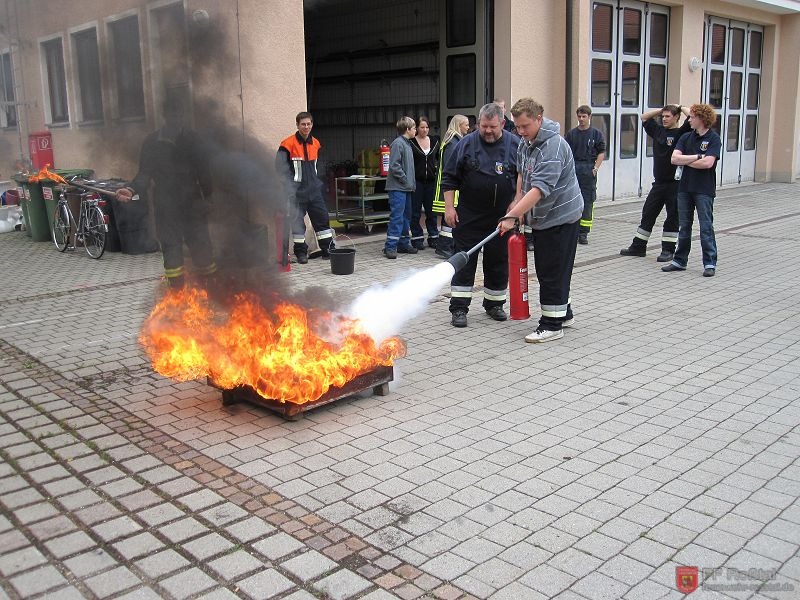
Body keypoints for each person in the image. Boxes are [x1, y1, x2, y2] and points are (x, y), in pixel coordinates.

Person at [500, 97, 583, 343]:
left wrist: (511, 216)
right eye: (517, 126)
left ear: (539, 119)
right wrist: (516, 205)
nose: (520, 131)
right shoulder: (526, 143)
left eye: (525, 126)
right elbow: (521, 175)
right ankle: (563, 312)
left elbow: (538, 189)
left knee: (551, 270)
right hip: (543, 217)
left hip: (561, 217)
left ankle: (551, 325)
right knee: (554, 268)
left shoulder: (553, 146)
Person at [116, 98, 215, 289]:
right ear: (165, 115)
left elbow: (204, 172)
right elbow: (144, 173)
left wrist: (209, 198)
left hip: (193, 204)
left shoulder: (193, 140)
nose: (176, 118)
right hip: (166, 205)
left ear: (184, 115)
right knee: (171, 250)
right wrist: (131, 189)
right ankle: (177, 295)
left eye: (179, 113)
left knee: (203, 250)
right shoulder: (152, 143)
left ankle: (210, 291)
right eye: (172, 114)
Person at [441, 103, 519, 327]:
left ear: (502, 124)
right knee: (464, 260)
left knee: (498, 261)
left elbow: (524, 179)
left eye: (492, 127)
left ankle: (494, 304)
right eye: (483, 126)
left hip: (502, 216)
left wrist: (515, 209)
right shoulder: (465, 144)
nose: (487, 131)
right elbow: (449, 177)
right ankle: (459, 307)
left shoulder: (515, 145)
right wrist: (449, 208)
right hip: (470, 214)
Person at [620, 104, 692, 262]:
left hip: (675, 183)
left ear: (677, 118)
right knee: (648, 213)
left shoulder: (682, 133)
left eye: (668, 116)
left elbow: (692, 116)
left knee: (673, 217)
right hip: (658, 183)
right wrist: (661, 110)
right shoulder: (658, 131)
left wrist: (680, 107)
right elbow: (644, 117)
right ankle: (638, 246)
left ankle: (668, 250)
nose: (664, 119)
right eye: (663, 117)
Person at [662, 103, 722, 277]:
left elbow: (708, 163)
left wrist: (686, 160)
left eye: (693, 117)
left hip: (704, 189)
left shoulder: (713, 138)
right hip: (685, 188)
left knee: (705, 227)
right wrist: (697, 157)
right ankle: (680, 260)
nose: (690, 120)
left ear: (702, 119)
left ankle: (710, 262)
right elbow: (674, 159)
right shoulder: (686, 137)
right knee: (684, 226)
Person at [276, 112, 335, 264]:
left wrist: (320, 185)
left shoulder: (316, 143)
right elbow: (280, 169)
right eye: (303, 124)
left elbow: (317, 167)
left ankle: (328, 250)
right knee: (297, 224)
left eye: (309, 124)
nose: (306, 127)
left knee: (322, 221)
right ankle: (301, 253)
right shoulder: (287, 145)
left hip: (314, 191)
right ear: (297, 125)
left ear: (312, 125)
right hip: (296, 193)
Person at [564, 105, 605, 245]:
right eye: (579, 117)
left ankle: (584, 233)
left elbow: (601, 152)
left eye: (584, 116)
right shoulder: (571, 134)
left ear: (589, 117)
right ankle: (573, 230)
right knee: (571, 200)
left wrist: (595, 168)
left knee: (588, 201)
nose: (581, 119)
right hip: (574, 168)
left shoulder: (596, 134)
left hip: (588, 169)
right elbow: (566, 152)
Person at [432, 114, 469, 259]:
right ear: (458, 125)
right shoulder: (453, 143)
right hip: (449, 187)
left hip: (449, 186)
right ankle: (444, 246)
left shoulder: (452, 141)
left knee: (449, 216)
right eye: (465, 124)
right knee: (449, 216)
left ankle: (446, 245)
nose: (468, 127)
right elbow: (451, 167)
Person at [383, 116, 418, 259]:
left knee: (406, 217)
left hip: (406, 188)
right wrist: (405, 180)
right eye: (414, 128)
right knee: (397, 217)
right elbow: (395, 166)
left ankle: (404, 243)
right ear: (408, 129)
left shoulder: (407, 143)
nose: (415, 130)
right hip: (398, 188)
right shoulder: (398, 143)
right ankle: (390, 247)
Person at [409, 116, 440, 250]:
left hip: (431, 182)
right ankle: (417, 238)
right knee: (415, 212)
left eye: (427, 127)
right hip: (417, 181)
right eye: (422, 127)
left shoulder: (435, 141)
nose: (425, 130)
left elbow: (439, 159)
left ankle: (433, 237)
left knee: (431, 211)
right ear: (416, 128)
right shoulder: (411, 142)